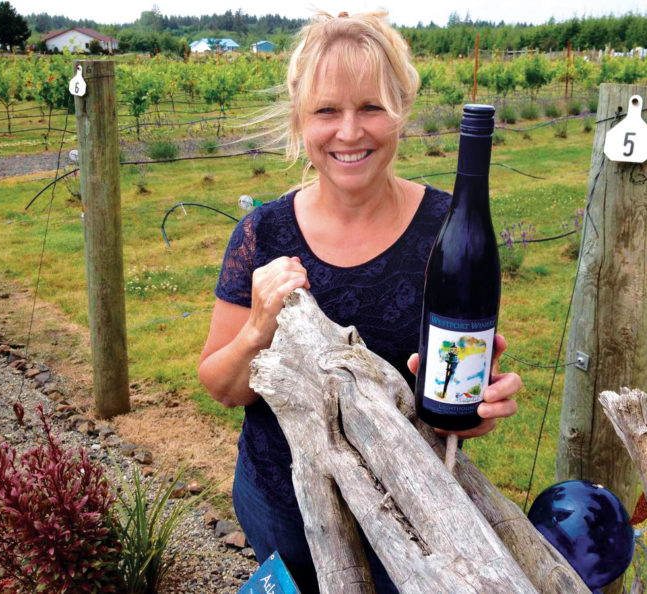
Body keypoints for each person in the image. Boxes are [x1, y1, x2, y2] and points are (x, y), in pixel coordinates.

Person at [198, 11, 522, 593]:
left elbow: (451, 406)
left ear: (401, 111)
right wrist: (258, 329)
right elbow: (222, 386)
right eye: (327, 111)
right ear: (301, 120)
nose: (350, 132)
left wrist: (475, 408)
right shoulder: (262, 234)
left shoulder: (449, 230)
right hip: (281, 502)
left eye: (370, 107)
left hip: (409, 514)